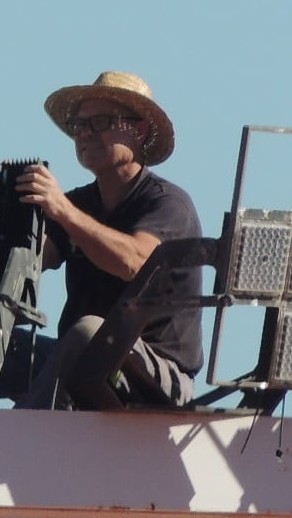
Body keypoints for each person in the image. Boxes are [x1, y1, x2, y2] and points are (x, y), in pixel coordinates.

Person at [13, 71, 203, 409]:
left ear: (139, 130)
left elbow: (136, 264)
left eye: (101, 122)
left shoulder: (168, 204)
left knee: (89, 333)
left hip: (157, 375)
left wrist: (63, 212)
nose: (85, 133)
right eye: (79, 124)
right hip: (81, 360)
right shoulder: (78, 204)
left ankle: (20, 446)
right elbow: (33, 259)